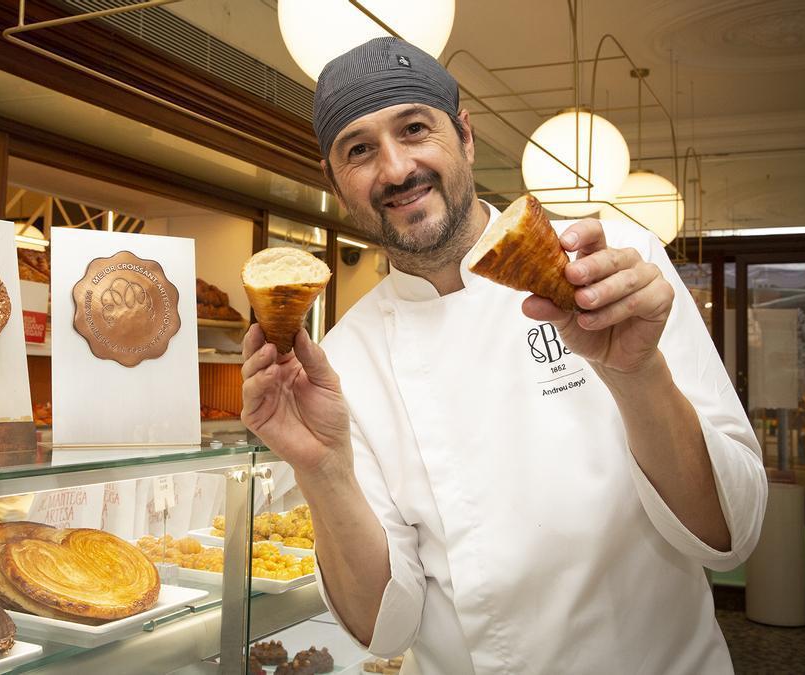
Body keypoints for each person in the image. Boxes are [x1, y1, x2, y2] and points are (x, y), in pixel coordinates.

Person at [241, 37, 766, 674]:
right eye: (359, 150)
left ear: (464, 136)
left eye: (414, 129)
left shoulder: (612, 271)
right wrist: (323, 471)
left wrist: (638, 374)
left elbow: (731, 534)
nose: (397, 169)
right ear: (334, 182)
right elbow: (384, 630)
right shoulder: (343, 358)